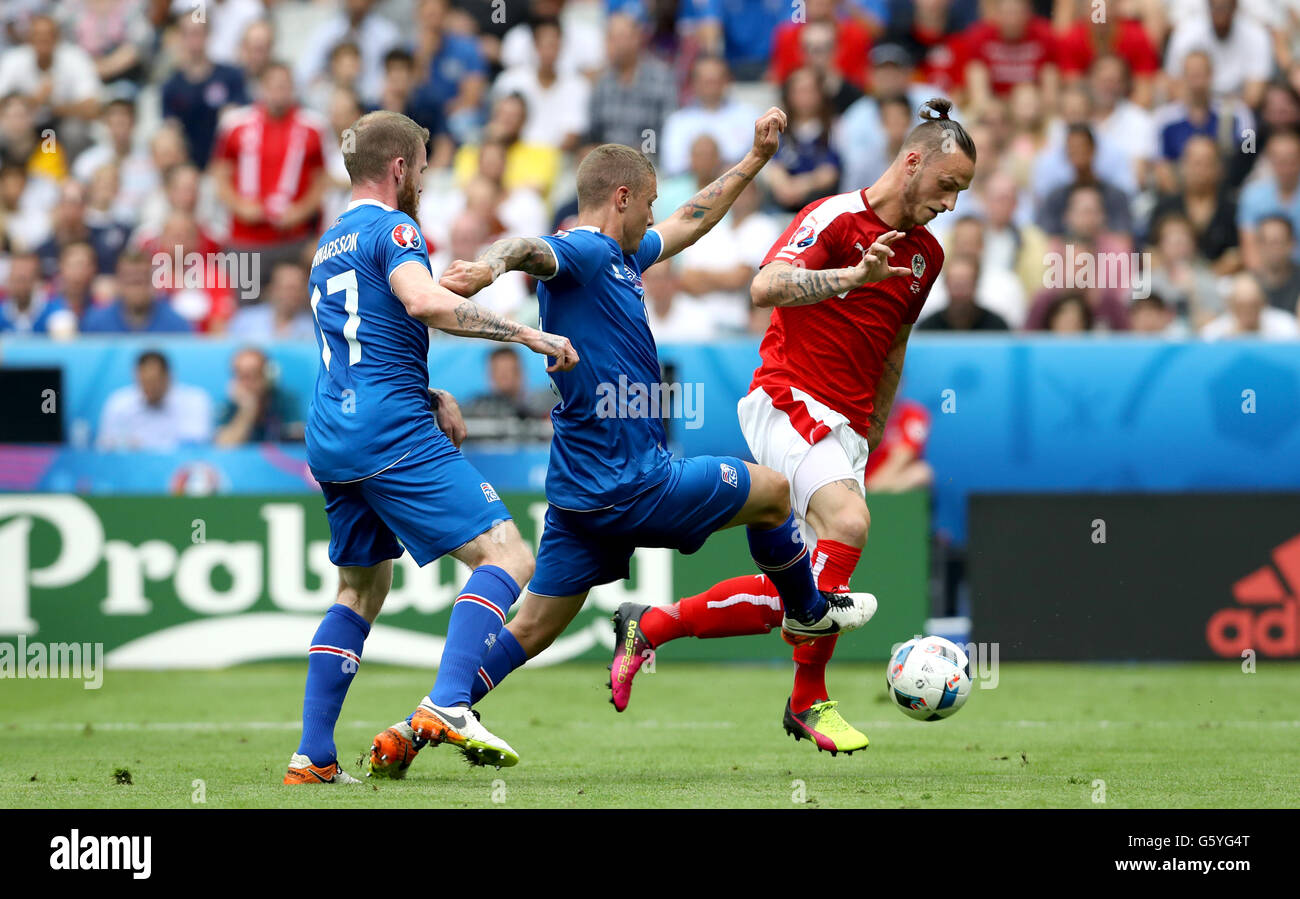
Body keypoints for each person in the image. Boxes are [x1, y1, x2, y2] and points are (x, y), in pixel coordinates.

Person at [368, 107, 878, 776]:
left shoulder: (624, 255)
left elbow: (690, 221)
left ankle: (418, 724)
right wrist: (489, 267)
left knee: (531, 628)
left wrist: (753, 162)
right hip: (631, 479)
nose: (654, 215)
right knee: (774, 490)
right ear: (621, 197)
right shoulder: (585, 248)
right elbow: (526, 249)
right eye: (649, 202)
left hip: (579, 495)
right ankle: (809, 611)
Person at [611, 99, 974, 755]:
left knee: (801, 590)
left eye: (962, 193)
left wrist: (870, 437)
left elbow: (893, 349)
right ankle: (809, 698)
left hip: (848, 426)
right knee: (851, 527)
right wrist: (849, 277)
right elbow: (766, 286)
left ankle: (650, 625)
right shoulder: (835, 218)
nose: (951, 203)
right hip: (790, 394)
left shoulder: (927, 256)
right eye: (948, 185)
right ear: (913, 161)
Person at [284, 110, 578, 785]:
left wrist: (429, 389)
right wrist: (528, 335)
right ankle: (449, 700)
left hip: (333, 431)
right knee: (507, 552)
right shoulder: (396, 227)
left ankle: (312, 756)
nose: (422, 177)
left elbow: (368, 339)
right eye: (420, 166)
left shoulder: (330, 240)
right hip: (388, 430)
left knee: (360, 588)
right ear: (397, 169)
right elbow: (423, 304)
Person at [96, 350, 213, 451]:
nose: (149, 388)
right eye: (143, 382)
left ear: (168, 377)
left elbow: (197, 444)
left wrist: (144, 447)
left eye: (153, 381)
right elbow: (105, 446)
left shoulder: (194, 401)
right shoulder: (118, 403)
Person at [214, 347, 304, 445]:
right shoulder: (230, 404)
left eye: (254, 374)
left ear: (269, 375)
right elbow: (223, 446)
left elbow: (296, 439)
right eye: (242, 376)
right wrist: (247, 410)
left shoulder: (284, 400)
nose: (247, 383)